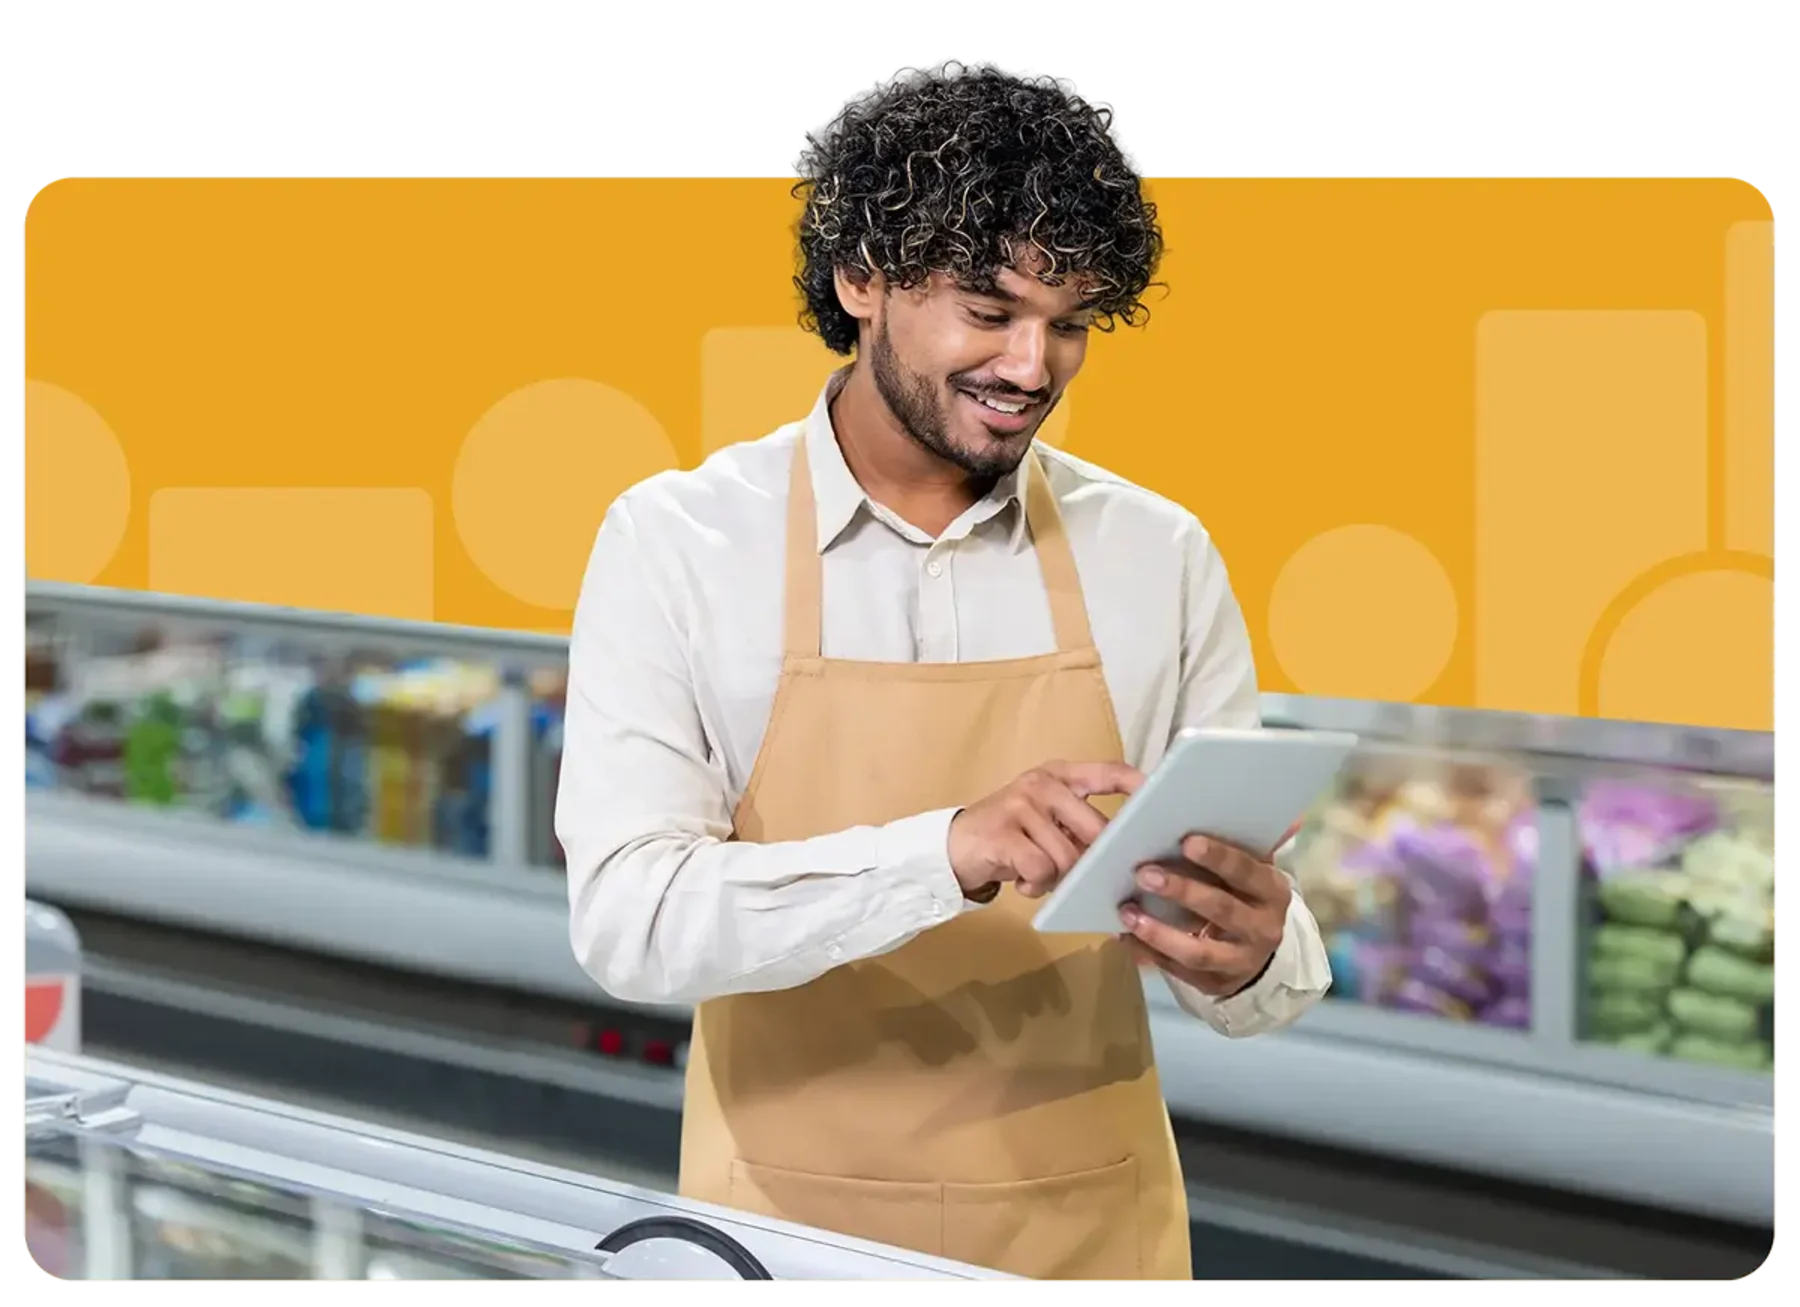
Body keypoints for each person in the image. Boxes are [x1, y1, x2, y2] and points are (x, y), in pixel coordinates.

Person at [555, 58, 1332, 1284]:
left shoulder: (1160, 554)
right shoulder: (678, 542)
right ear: (861, 280)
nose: (1034, 367)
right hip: (778, 1237)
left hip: (1091, 1237)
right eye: (989, 308)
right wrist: (948, 850)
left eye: (1069, 322)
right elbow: (630, 922)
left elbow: (1261, 947)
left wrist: (1254, 955)